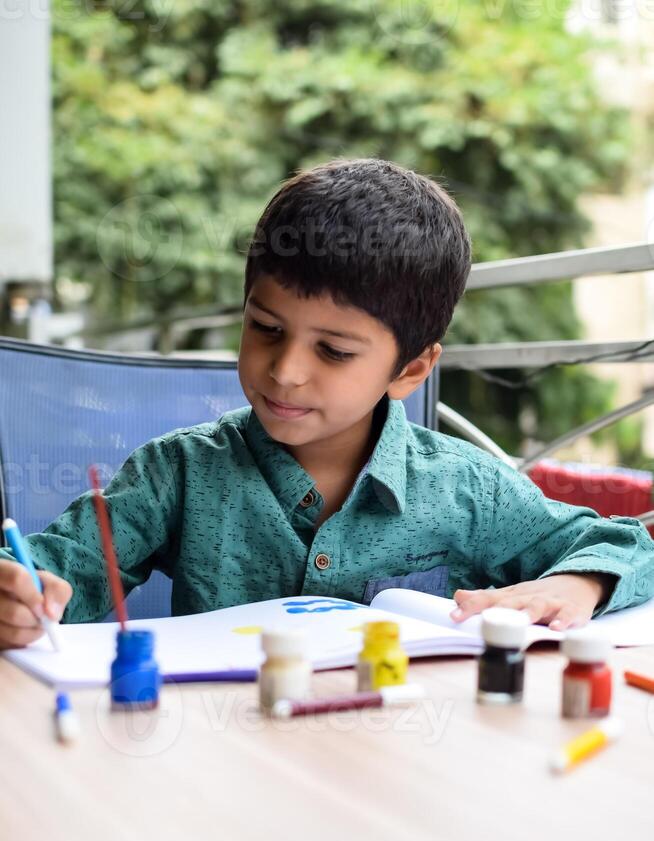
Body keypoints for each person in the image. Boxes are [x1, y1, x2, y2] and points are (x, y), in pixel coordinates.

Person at [1, 158, 653, 650]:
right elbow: (58, 570)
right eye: (266, 329)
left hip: (400, 770)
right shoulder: (176, 475)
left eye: (334, 352)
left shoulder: (468, 490)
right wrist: (21, 594)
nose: (285, 371)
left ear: (412, 368)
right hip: (215, 767)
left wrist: (577, 585)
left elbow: (626, 545)